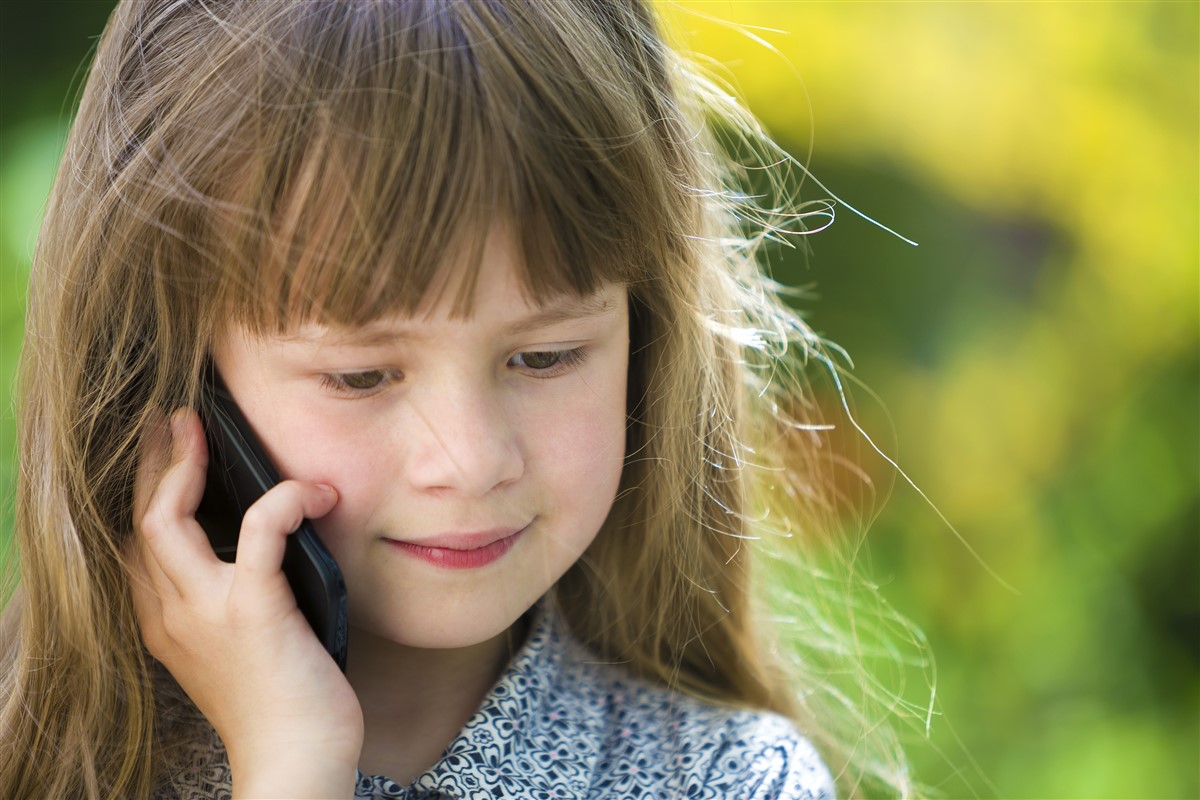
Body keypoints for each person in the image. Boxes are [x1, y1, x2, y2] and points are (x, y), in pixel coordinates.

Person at [0, 1, 919, 797]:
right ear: (168, 370)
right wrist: (290, 765)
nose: (474, 459)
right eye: (362, 375)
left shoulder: (728, 781)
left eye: (548, 356)